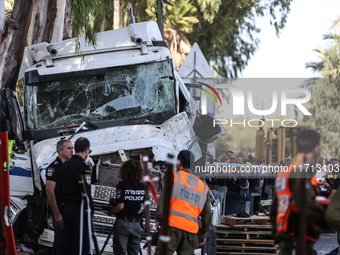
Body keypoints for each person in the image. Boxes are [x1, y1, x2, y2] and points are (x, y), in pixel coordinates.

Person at [270, 130, 327, 255]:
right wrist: (329, 219)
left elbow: (275, 206)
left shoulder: (284, 171)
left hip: (287, 235)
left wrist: (278, 233)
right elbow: (307, 205)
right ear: (315, 148)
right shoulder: (301, 171)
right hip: (297, 236)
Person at [155, 150, 212, 255]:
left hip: (171, 227)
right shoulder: (202, 186)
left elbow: (163, 200)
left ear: (179, 163)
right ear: (193, 164)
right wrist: (203, 234)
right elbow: (207, 214)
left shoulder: (173, 177)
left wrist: (159, 218)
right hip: (190, 231)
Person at [59, 137, 93, 255]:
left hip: (66, 208)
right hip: (80, 210)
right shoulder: (83, 167)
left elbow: (58, 190)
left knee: (67, 243)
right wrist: (90, 211)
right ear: (86, 150)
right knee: (80, 245)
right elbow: (86, 193)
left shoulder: (64, 166)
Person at [105, 159, 145, 255]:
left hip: (123, 223)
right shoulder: (143, 186)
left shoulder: (122, 185)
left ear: (124, 171)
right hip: (137, 224)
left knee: (120, 251)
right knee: (134, 252)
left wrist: (110, 211)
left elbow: (120, 206)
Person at [46, 140, 73, 255]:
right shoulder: (54, 168)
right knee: (60, 242)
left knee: (69, 242)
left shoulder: (70, 167)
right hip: (60, 209)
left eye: (72, 148)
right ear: (60, 150)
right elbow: (49, 191)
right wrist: (57, 214)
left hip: (70, 209)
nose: (72, 151)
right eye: (69, 148)